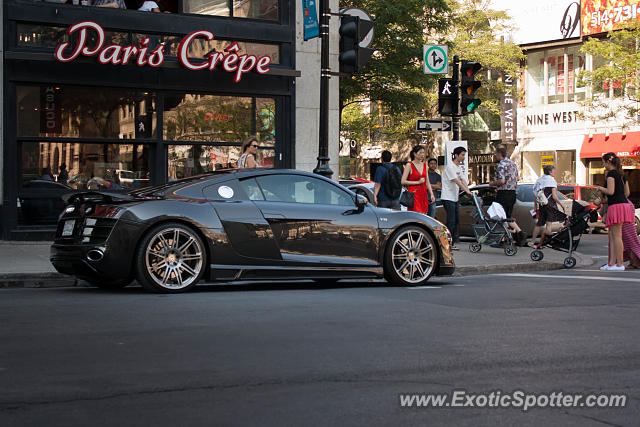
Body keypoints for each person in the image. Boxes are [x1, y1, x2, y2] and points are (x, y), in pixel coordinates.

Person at [596, 152, 633, 271]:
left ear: (608, 162)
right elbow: (627, 193)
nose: (603, 164)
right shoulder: (621, 174)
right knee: (613, 236)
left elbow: (610, 191)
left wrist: (600, 188)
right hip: (623, 205)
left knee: (616, 236)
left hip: (616, 206)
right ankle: (612, 263)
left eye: (603, 162)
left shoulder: (611, 174)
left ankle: (619, 263)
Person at [489, 145, 525, 245]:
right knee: (507, 216)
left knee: (500, 216)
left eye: (495, 153)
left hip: (503, 193)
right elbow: (516, 179)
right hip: (512, 192)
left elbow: (502, 180)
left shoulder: (501, 165)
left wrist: (492, 183)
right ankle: (518, 233)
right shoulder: (513, 164)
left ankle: (507, 237)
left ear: (499, 154)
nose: (495, 155)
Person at [441, 146, 472, 250]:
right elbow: (457, 181)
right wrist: (466, 191)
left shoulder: (458, 167)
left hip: (455, 198)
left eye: (464, 155)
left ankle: (451, 242)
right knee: (451, 221)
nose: (464, 157)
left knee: (455, 220)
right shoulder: (450, 166)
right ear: (456, 155)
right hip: (447, 197)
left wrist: (469, 190)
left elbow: (463, 180)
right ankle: (447, 243)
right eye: (462, 155)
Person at [530, 165, 566, 249]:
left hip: (542, 205)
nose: (555, 172)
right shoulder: (552, 181)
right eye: (554, 171)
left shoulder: (539, 180)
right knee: (549, 224)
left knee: (539, 223)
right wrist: (561, 204)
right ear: (550, 172)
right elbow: (554, 196)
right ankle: (544, 242)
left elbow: (535, 195)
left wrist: (535, 206)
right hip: (550, 205)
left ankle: (532, 242)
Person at [401, 145, 435, 215]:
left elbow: (427, 181)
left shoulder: (425, 165)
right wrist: (418, 182)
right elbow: (403, 181)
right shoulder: (409, 165)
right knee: (415, 215)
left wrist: (431, 194)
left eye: (423, 153)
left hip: (423, 193)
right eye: (420, 153)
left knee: (424, 214)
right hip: (413, 194)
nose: (422, 155)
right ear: (415, 154)